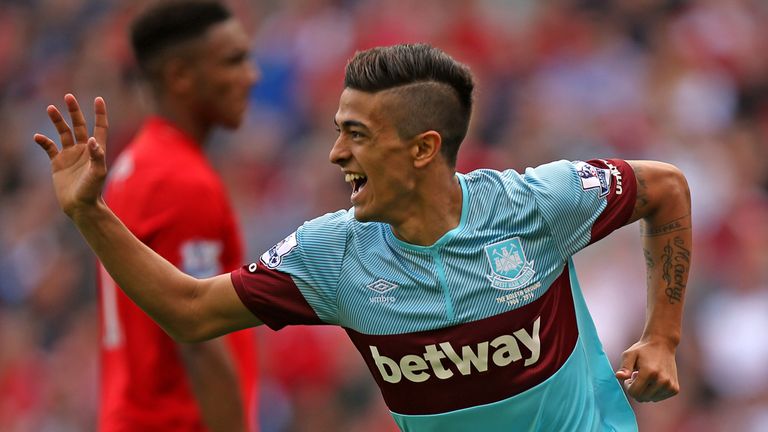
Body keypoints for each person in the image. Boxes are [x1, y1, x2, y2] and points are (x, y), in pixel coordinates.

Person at [34, 43, 691, 431]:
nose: (334, 153)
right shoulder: (331, 255)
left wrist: (663, 334)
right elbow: (190, 311)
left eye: (357, 134)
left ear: (423, 148)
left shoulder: (534, 205)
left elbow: (665, 188)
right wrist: (90, 214)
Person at [67, 1, 259, 431]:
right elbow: (201, 336)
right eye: (233, 61)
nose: (251, 75)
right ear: (180, 76)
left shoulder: (136, 164)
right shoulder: (180, 181)